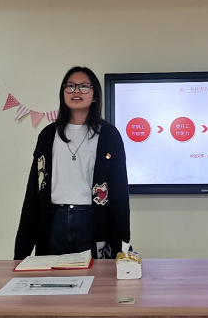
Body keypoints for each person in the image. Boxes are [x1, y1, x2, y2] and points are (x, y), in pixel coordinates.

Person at [14, 66, 130, 260]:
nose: (76, 91)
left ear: (95, 95)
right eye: (70, 86)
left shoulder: (109, 135)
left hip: (92, 220)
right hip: (54, 220)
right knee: (52, 276)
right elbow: (34, 190)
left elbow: (119, 191)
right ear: (63, 93)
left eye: (84, 86)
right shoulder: (48, 135)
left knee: (94, 277)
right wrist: (21, 252)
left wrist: (121, 244)